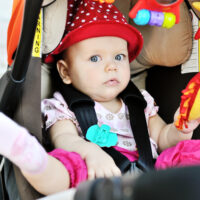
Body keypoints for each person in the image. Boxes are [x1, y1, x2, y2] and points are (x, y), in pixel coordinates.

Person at [0, 0, 200, 196]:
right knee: (67, 164)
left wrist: (179, 130)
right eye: (95, 58)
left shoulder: (141, 102)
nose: (111, 66)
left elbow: (163, 139)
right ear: (65, 72)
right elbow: (64, 138)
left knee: (187, 151)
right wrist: (90, 153)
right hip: (95, 175)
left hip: (152, 174)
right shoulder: (62, 106)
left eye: (119, 57)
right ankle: (29, 156)